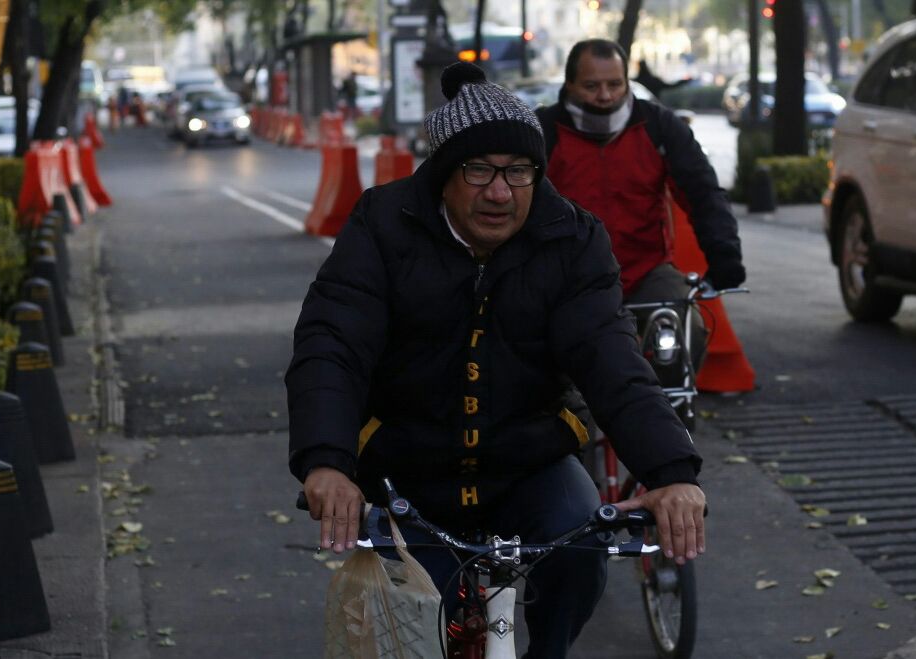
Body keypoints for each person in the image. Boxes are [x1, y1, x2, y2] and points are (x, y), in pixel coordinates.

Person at [286, 61, 706, 657]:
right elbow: (332, 343)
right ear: (443, 177)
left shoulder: (574, 238)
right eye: (478, 170)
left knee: (582, 555)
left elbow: (609, 357)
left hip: (528, 460)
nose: (500, 192)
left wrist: (670, 473)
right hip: (406, 465)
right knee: (422, 622)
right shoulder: (383, 223)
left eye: (519, 172)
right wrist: (326, 462)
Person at [535, 39, 745, 374]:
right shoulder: (543, 132)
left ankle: (670, 420)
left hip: (646, 271)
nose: (605, 96)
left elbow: (702, 191)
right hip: (568, 277)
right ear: (570, 84)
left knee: (686, 331)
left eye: (615, 84)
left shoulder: (659, 126)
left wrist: (724, 254)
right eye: (591, 86)